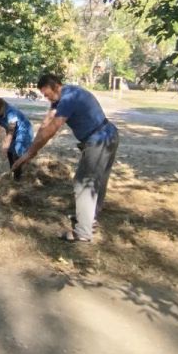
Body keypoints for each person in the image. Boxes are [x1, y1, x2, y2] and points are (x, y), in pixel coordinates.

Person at [12, 73, 119, 242]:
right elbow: (46, 123)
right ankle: (89, 219)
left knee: (83, 182)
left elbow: (52, 129)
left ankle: (83, 232)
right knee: (96, 182)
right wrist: (30, 150)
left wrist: (31, 152)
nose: (47, 99)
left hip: (100, 139)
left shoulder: (69, 98)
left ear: (56, 86)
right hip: (106, 136)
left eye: (47, 94)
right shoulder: (62, 96)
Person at [0, 98, 34, 179]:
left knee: (18, 151)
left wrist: (6, 145)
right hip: (10, 131)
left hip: (23, 131)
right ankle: (13, 170)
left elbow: (10, 132)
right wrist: (3, 142)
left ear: (3, 106)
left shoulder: (11, 112)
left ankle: (18, 177)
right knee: (10, 151)